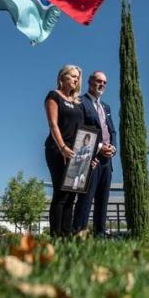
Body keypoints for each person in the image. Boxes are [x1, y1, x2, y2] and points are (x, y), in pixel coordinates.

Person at [73, 71, 117, 236]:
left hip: (107, 161)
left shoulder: (106, 107)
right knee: (85, 198)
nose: (102, 85)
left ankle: (100, 232)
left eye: (105, 82)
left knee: (103, 199)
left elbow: (112, 130)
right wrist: (98, 147)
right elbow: (79, 128)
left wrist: (113, 147)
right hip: (89, 158)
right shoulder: (81, 102)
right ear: (90, 82)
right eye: (99, 81)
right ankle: (78, 232)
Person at [44, 64, 84, 237]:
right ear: (62, 78)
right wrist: (62, 147)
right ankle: (55, 236)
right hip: (58, 150)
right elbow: (53, 124)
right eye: (72, 76)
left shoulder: (78, 103)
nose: (75, 79)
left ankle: (66, 237)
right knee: (60, 193)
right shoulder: (54, 96)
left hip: (76, 154)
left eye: (77, 77)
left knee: (71, 196)